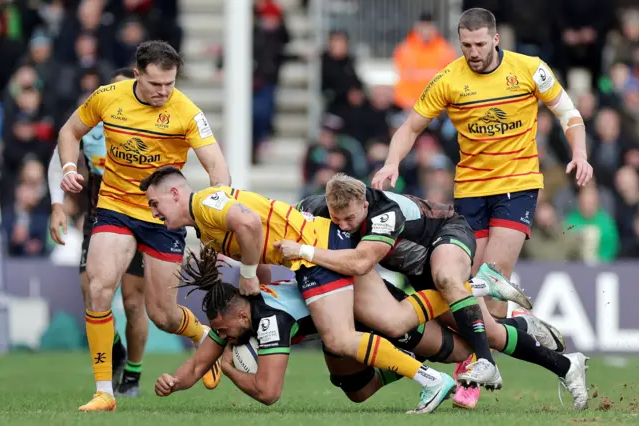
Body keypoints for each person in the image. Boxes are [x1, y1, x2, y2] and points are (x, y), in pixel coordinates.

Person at [371, 7, 593, 409]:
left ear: (495, 39)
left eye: (478, 44)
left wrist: (579, 152)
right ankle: (546, 346)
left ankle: (473, 381)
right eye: (465, 45)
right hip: (470, 192)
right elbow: (410, 127)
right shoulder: (449, 78)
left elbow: (569, 113)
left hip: (517, 186)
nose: (472, 52)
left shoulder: (529, 69)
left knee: (487, 281)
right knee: (472, 300)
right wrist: (392, 162)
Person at [140, 166, 467, 413]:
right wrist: (175, 383)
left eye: (155, 203)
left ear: (174, 194)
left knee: (343, 337)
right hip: (312, 251)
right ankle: (469, 291)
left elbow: (250, 224)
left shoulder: (207, 203)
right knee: (357, 385)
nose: (154, 212)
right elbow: (199, 363)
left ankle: (431, 380)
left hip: (314, 247)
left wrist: (249, 276)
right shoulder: (209, 236)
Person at [279, 174, 587, 410]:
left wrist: (304, 251)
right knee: (489, 333)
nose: (344, 226)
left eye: (350, 219)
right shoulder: (313, 208)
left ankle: (486, 349)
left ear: (364, 204)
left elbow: (360, 263)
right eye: (338, 220)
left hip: (448, 234)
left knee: (446, 278)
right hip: (418, 272)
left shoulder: (384, 214)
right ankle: (563, 362)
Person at [56, 41, 231, 412]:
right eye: (156, 84)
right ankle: (105, 391)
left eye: (170, 83)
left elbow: (217, 166)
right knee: (99, 290)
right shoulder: (107, 97)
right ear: (137, 74)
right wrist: (70, 169)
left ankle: (202, 335)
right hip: (115, 206)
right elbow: (69, 132)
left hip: (163, 216)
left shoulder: (186, 111)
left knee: (162, 315)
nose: (164, 92)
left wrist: (216, 213)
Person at [155, 244, 474, 410]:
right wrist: (174, 382)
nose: (221, 338)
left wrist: (230, 369)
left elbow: (268, 393)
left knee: (460, 348)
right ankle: (408, 360)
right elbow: (198, 364)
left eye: (222, 331)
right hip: (346, 328)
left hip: (369, 310)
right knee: (359, 392)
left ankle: (476, 289)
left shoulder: (269, 321)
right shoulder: (236, 319)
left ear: (239, 317)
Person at [48, 68, 148, 397]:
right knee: (91, 294)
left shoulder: (148, 129)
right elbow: (59, 154)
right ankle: (114, 349)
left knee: (134, 304)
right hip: (100, 219)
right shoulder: (90, 127)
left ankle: (132, 374)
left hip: (141, 221)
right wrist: (58, 205)